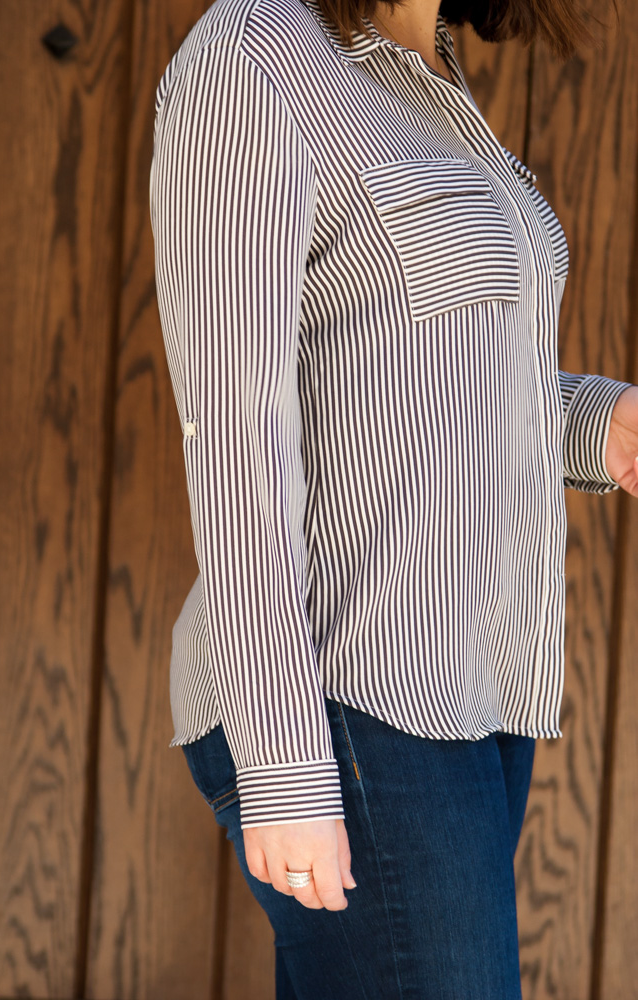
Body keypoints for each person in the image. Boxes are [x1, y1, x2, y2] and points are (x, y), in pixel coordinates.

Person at [149, 0, 638, 995]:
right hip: (347, 692)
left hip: (475, 699)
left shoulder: (428, 78)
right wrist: (284, 762)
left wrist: (595, 420)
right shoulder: (255, 55)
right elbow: (238, 430)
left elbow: (410, 385)